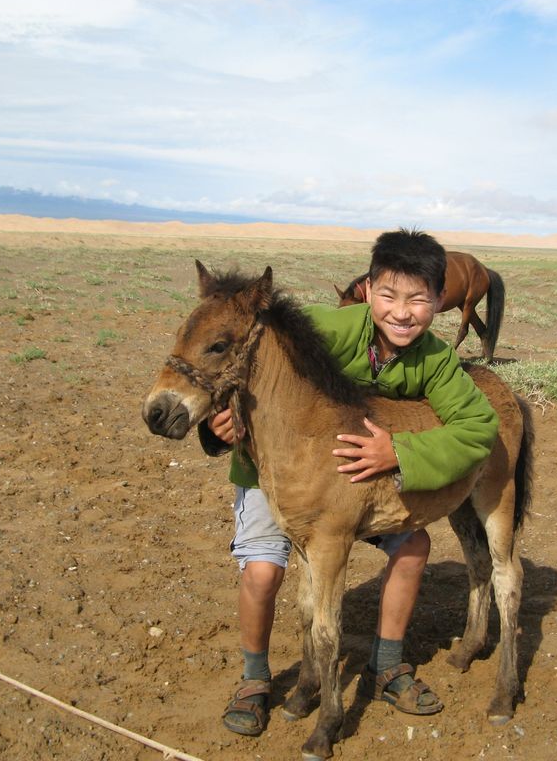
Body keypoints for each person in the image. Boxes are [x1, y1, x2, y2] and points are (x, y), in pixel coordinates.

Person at [199, 228, 500, 737]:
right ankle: (254, 680)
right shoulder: (320, 330)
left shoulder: (435, 358)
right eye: (387, 296)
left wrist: (399, 451)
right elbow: (230, 360)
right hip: (274, 471)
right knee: (263, 573)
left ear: (440, 302)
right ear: (366, 291)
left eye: (418, 299)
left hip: (354, 477)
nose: (401, 312)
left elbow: (478, 427)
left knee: (414, 546)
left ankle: (386, 665)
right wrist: (216, 425)